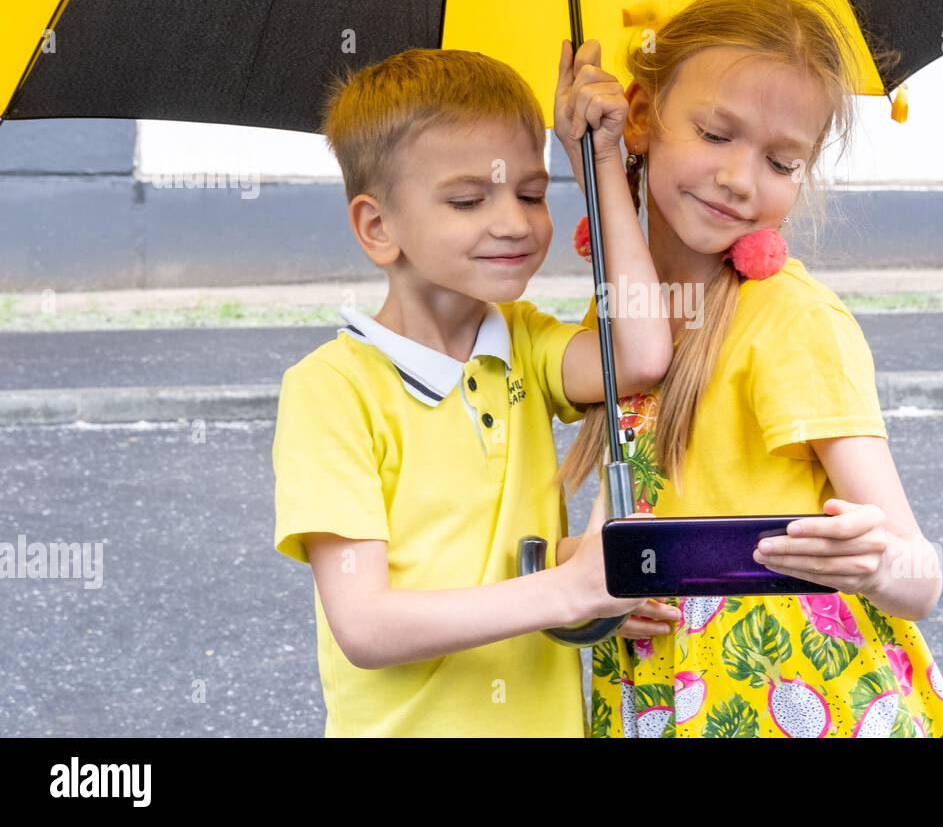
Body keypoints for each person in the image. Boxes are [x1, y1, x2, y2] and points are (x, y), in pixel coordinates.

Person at [556, 0, 943, 737]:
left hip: (797, 700)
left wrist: (878, 564)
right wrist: (598, 585)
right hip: (659, 702)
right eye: (716, 135)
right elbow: (618, 520)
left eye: (782, 161)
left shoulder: (792, 322)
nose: (742, 179)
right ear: (643, 115)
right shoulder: (621, 319)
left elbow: (922, 577)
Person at [272, 44, 670, 736]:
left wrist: (600, 165)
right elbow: (366, 625)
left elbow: (638, 353)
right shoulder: (330, 392)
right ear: (378, 228)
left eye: (533, 193)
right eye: (466, 199)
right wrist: (563, 592)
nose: (515, 222)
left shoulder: (525, 341)